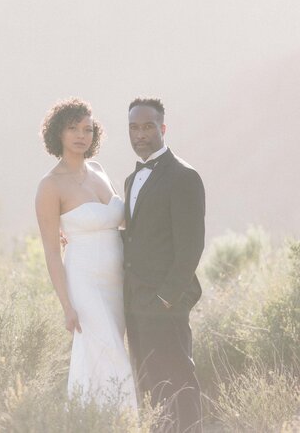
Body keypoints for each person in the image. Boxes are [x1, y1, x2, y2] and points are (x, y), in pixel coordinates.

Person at [35, 97, 137, 409]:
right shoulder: (50, 186)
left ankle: (96, 421)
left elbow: (114, 224)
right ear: (58, 134)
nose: (82, 135)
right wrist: (67, 305)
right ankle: (119, 422)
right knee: (109, 353)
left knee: (109, 351)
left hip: (118, 280)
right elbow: (52, 252)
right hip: (84, 281)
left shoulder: (99, 170)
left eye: (88, 129)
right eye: (73, 128)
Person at [123, 97, 205, 432]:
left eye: (147, 126)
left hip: (164, 303)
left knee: (179, 384)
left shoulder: (183, 176)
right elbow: (138, 237)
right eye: (133, 127)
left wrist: (167, 299)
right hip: (135, 303)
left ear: (163, 128)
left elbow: (191, 246)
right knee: (149, 388)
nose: (140, 134)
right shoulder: (131, 180)